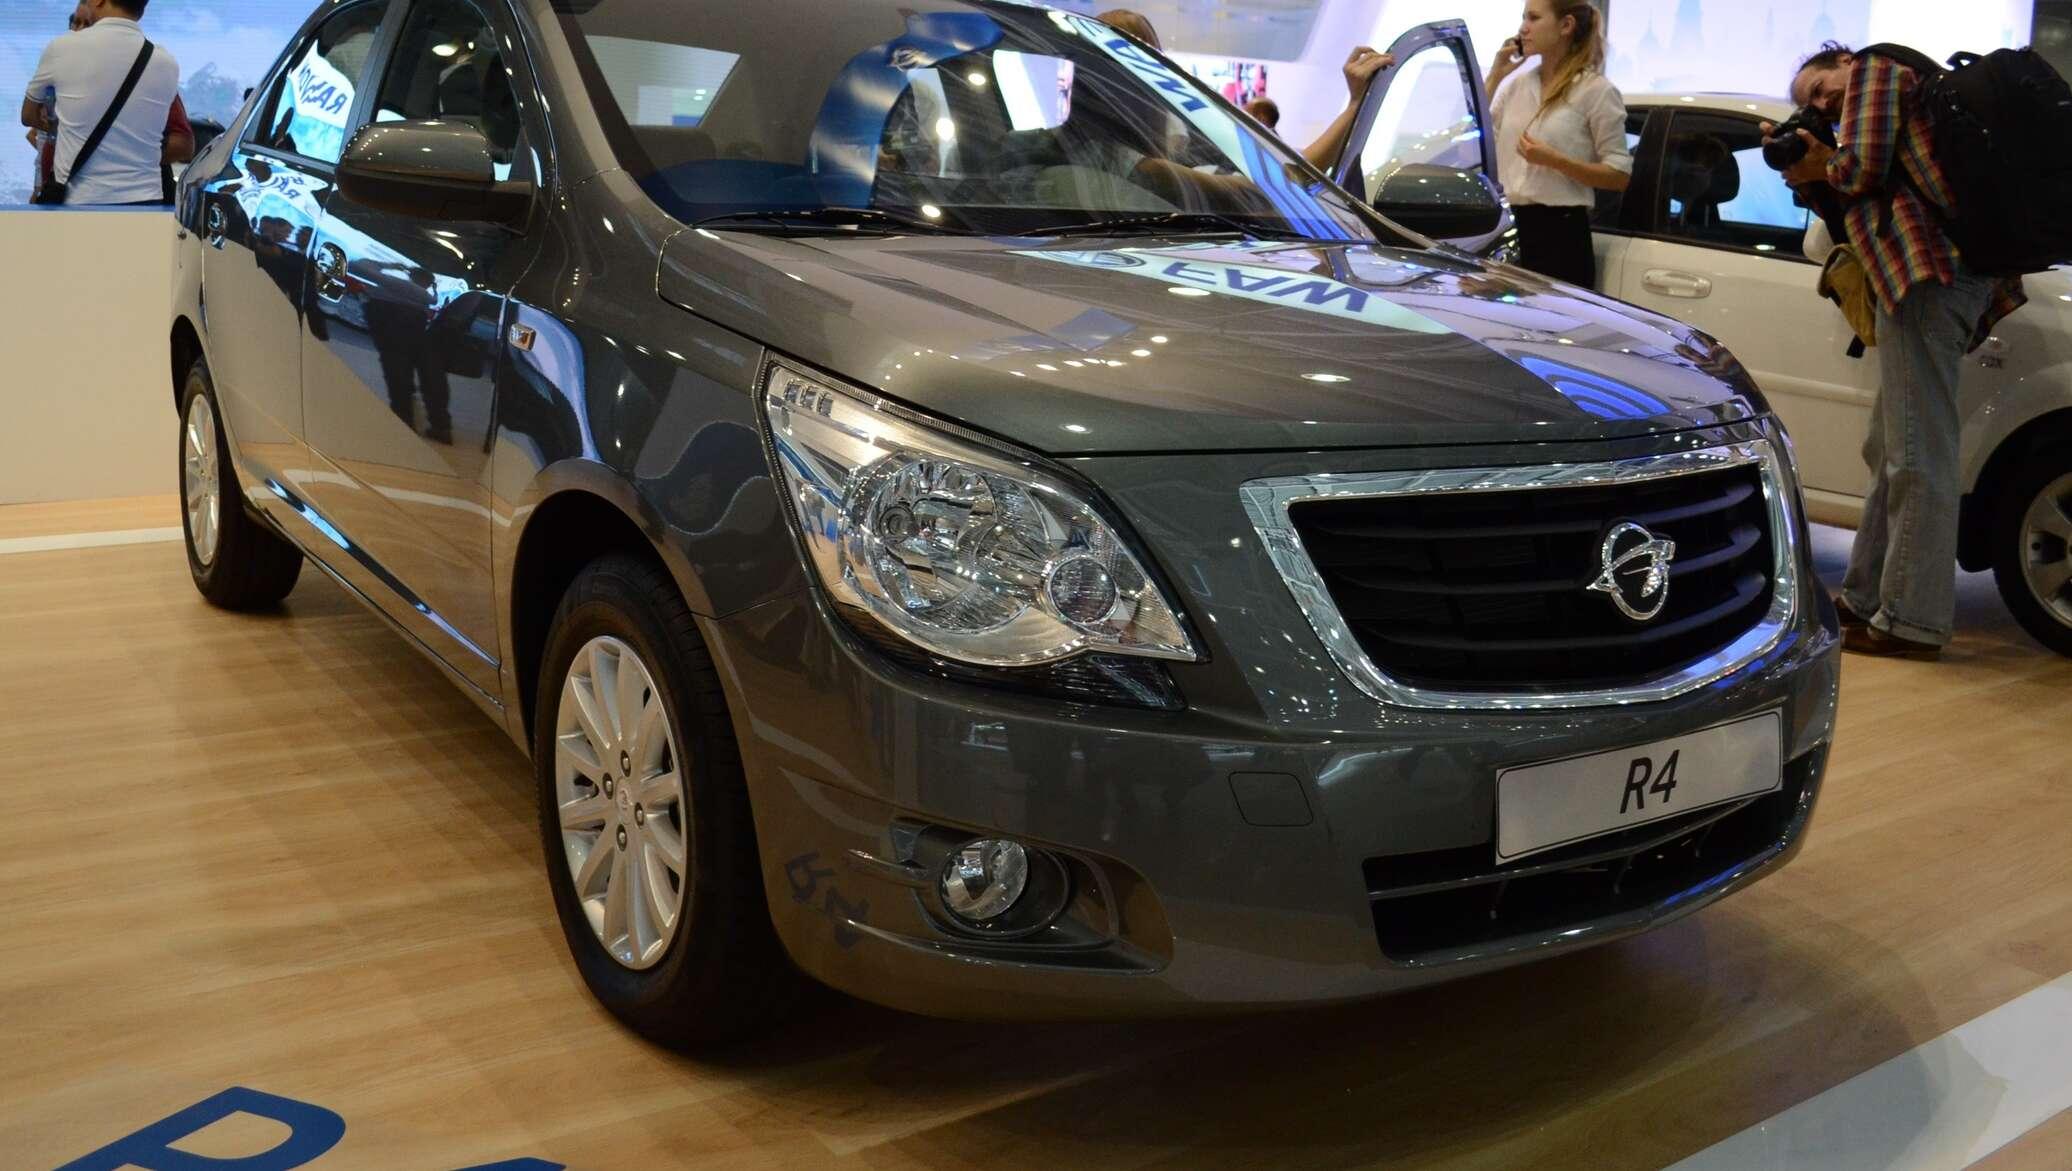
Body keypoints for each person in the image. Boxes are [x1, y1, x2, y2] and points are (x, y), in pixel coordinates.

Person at [1772, 44, 2028, 659]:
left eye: (1820, 88)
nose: (1824, 103)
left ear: (1842, 59)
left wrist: (1820, 164)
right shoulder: (1903, 89)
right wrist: (1816, 174)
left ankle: (1913, 620)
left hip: (1927, 278)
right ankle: (1866, 597)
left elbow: (1859, 170)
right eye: (1813, 106)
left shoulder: (1876, 69)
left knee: (1918, 454)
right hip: (1933, 278)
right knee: (1889, 445)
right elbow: (1868, 194)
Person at [1483, 0, 1631, 286]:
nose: (1523, 28)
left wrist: (1557, 161)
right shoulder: (1516, 86)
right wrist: (1496, 75)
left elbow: (1619, 175)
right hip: (1508, 230)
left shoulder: (1595, 91)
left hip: (1561, 236)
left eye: (1533, 18)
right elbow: (1477, 141)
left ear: (1566, 25)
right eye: (1523, 18)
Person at [27, 2, 193, 204]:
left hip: (79, 199)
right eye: (75, 23)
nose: (79, 30)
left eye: (87, 23)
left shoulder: (62, 49)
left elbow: (28, 115)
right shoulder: (165, 62)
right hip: (144, 200)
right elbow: (35, 132)